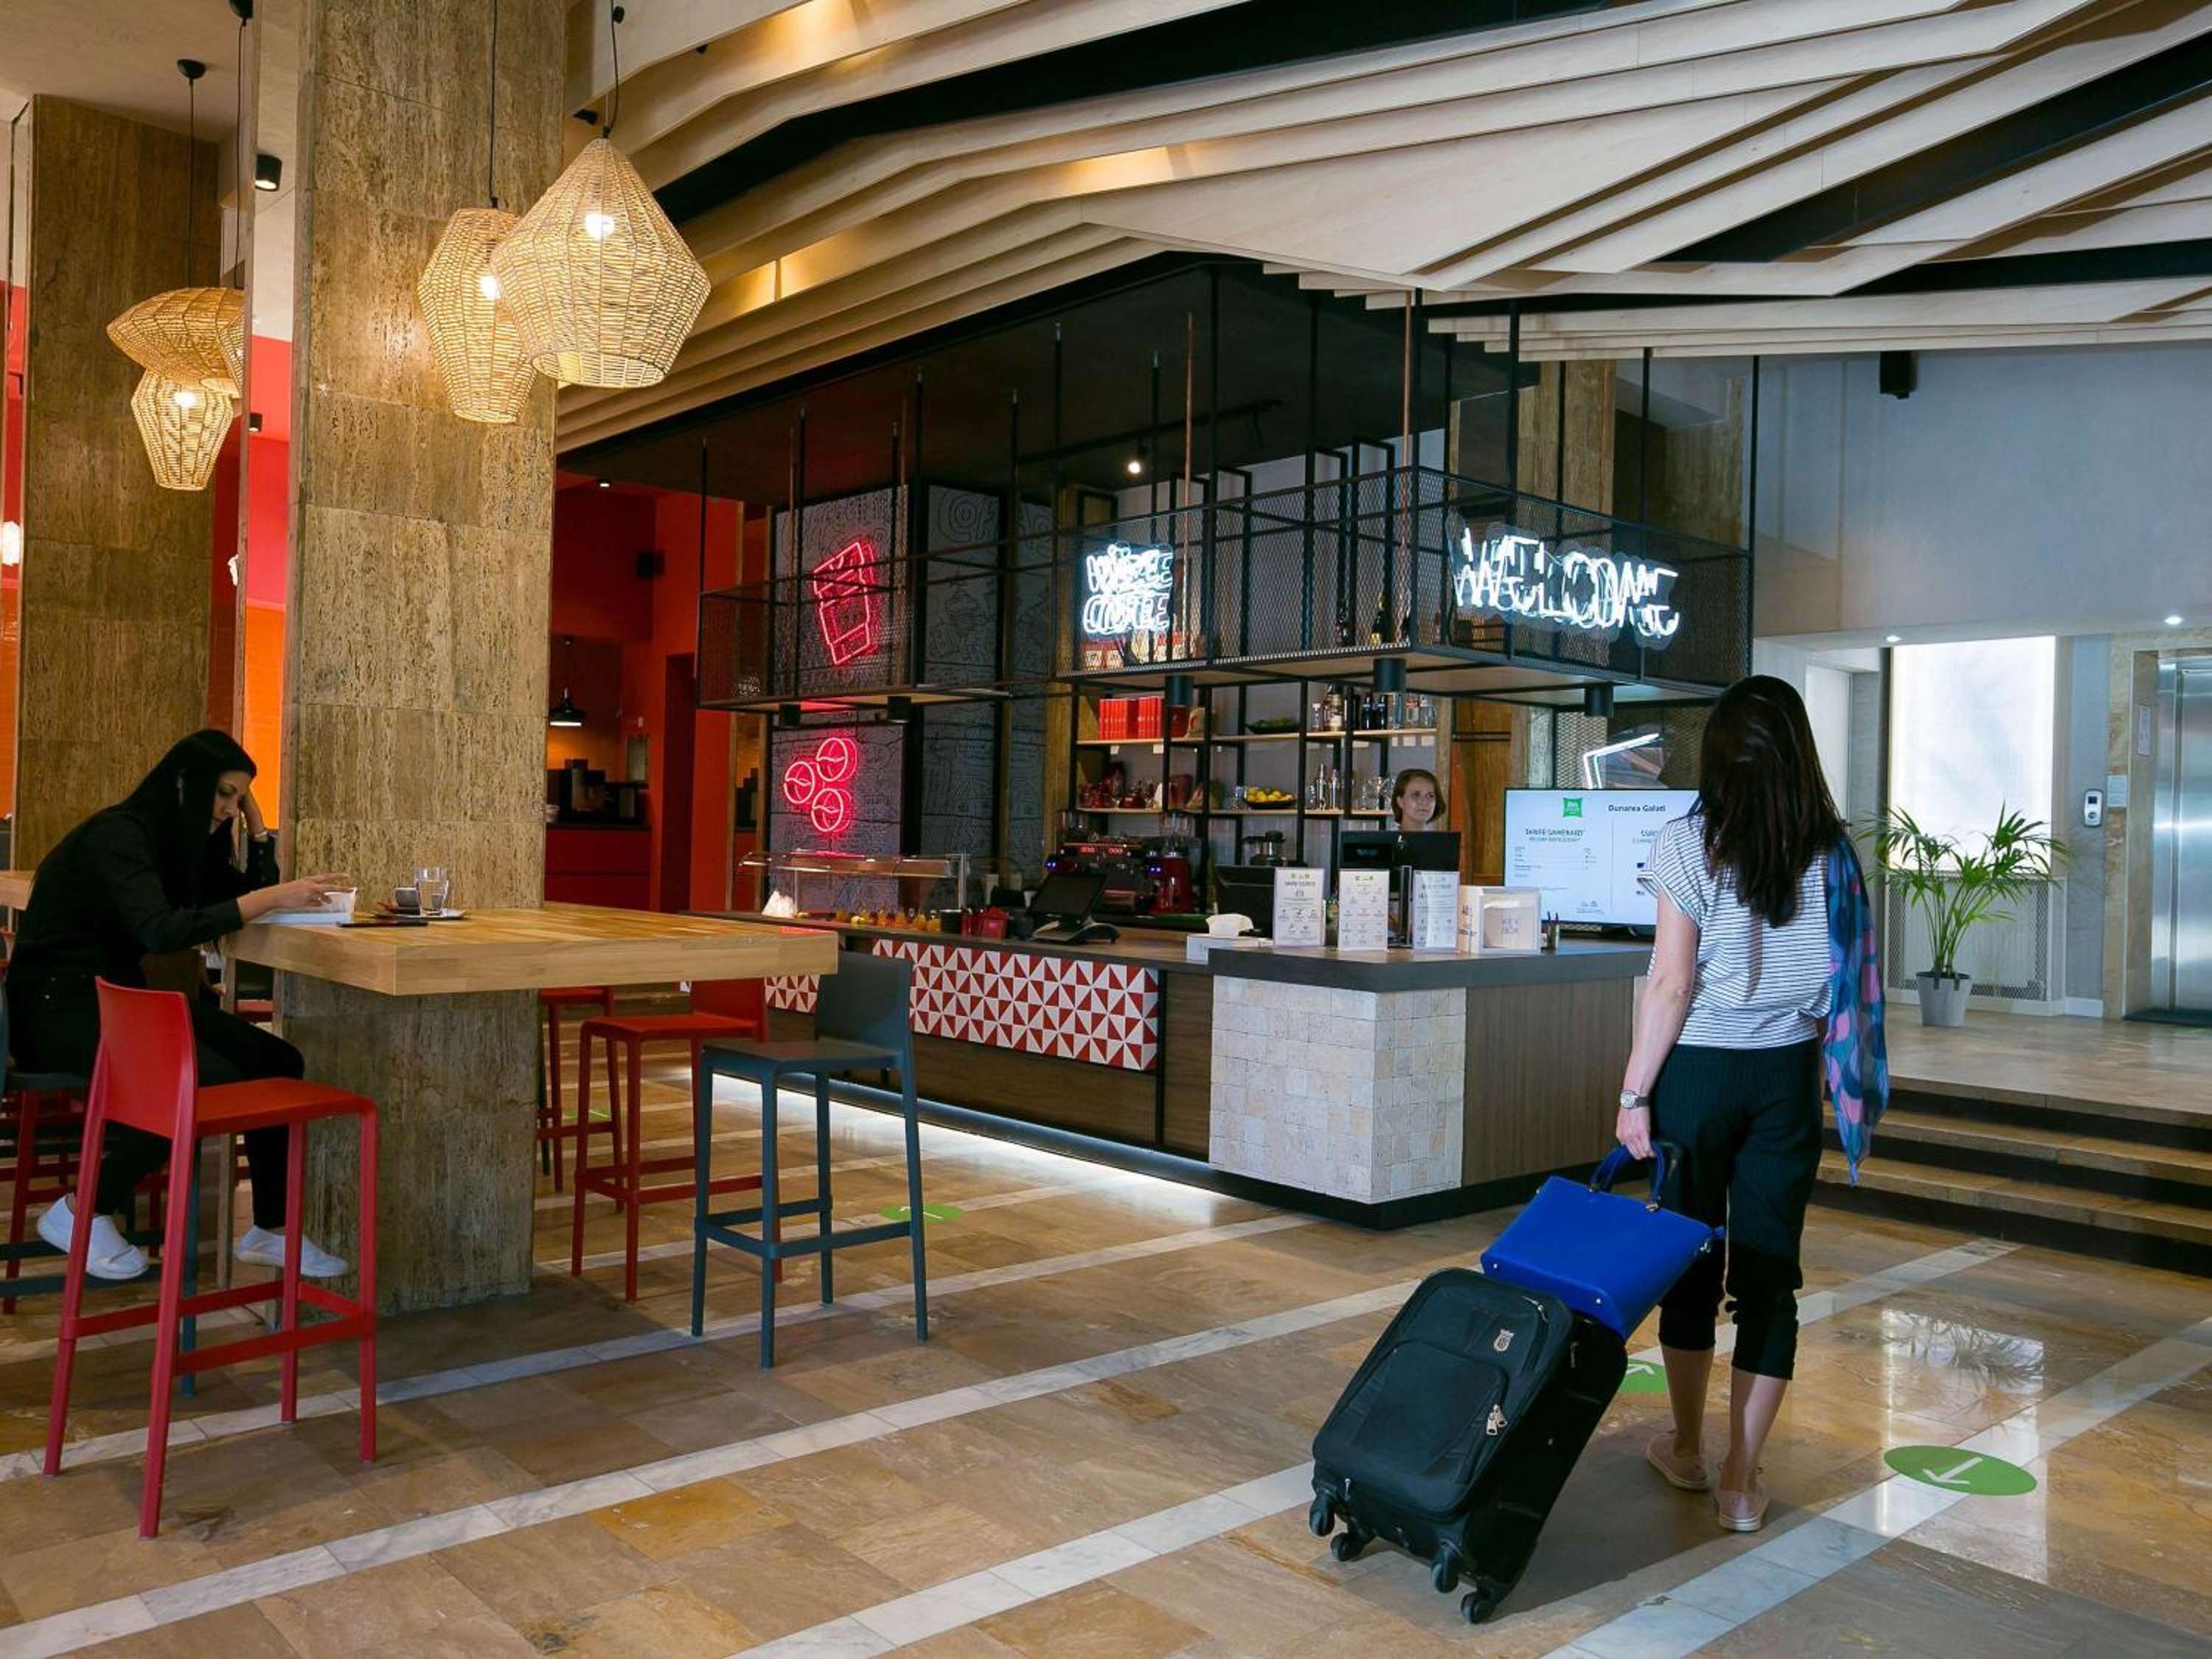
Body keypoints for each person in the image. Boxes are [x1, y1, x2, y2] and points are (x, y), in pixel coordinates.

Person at [1614, 676, 1839, 1534]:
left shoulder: (1689, 840)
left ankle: (1687, 1448)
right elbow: (1845, 978)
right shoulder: (1832, 850)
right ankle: (1742, 1482)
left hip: (1700, 1074)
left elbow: (1671, 984)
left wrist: (1636, 1092)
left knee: (1690, 1261)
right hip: (1788, 1073)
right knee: (1771, 1280)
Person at [7, 731, 352, 1281]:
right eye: (224, 794)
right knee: (201, 1079)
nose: (229, 808)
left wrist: (258, 830)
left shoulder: (178, 844)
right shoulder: (119, 835)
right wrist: (270, 897)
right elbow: (161, 930)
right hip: (56, 1006)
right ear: (183, 784)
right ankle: (81, 1210)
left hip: (121, 1001)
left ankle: (271, 1229)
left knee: (277, 1061)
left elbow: (237, 896)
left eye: (239, 798)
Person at [1390, 767, 1441, 832]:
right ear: (1400, 802)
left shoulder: (1441, 838)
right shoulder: (1385, 838)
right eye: (1416, 795)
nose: (1424, 802)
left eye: (1430, 796)